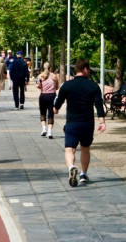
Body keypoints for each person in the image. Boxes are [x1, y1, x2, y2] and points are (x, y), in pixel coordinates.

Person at [53, 59, 106, 187]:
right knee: (85, 149)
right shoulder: (93, 86)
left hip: (72, 122)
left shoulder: (67, 85)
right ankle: (83, 174)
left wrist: (56, 109)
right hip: (87, 123)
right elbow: (99, 104)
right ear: (85, 69)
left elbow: (58, 103)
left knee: (69, 149)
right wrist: (102, 121)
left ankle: (71, 167)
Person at [36, 61, 59, 138]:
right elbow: (57, 87)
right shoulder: (54, 76)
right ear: (50, 68)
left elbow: (38, 86)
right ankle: (50, 132)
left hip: (43, 96)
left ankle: (43, 129)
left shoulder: (40, 76)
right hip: (52, 96)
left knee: (43, 113)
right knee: (50, 114)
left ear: (43, 67)